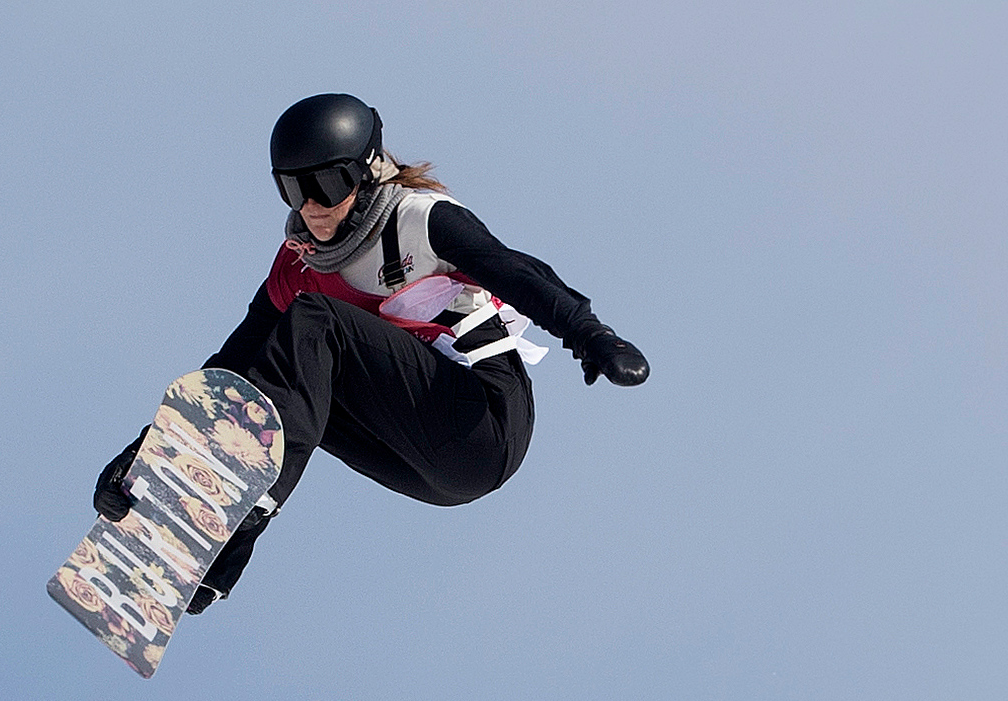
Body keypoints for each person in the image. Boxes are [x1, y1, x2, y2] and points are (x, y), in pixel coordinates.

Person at [93, 93, 649, 615]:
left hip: (484, 420)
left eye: (328, 184)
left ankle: (253, 510)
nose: (311, 207)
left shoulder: (418, 220)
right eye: (293, 189)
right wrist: (148, 453)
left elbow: (519, 272)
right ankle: (207, 548)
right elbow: (229, 371)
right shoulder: (298, 266)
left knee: (314, 321)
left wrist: (592, 335)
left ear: (365, 172)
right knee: (277, 375)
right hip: (422, 466)